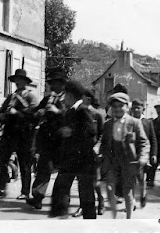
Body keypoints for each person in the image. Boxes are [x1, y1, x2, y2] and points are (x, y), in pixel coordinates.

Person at [49, 80, 97, 219]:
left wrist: (72, 132)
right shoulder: (70, 110)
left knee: (85, 194)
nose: (64, 98)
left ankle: (90, 224)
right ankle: (61, 219)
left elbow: (91, 131)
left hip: (83, 159)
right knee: (61, 189)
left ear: (71, 95)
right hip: (70, 159)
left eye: (65, 95)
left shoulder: (82, 109)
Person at [101, 92, 150, 219]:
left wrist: (143, 158)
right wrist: (97, 151)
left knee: (127, 192)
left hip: (128, 163)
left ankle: (128, 219)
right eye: (115, 106)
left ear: (127, 107)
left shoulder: (134, 123)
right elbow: (102, 141)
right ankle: (114, 216)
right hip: (112, 161)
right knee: (110, 189)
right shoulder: (107, 124)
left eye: (120, 106)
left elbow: (144, 142)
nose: (117, 109)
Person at [0, 69, 38, 199]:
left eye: (20, 80)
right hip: (9, 133)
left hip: (23, 134)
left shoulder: (30, 96)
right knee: (1, 160)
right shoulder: (11, 97)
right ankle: (0, 188)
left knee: (24, 163)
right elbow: (1, 111)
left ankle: (25, 192)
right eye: (16, 80)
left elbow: (34, 112)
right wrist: (2, 116)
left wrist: (18, 113)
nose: (18, 82)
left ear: (25, 82)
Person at [26, 68, 67, 209]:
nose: (53, 86)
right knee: (43, 168)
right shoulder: (49, 98)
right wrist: (38, 112)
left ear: (62, 84)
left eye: (56, 83)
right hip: (47, 139)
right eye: (52, 83)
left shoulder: (67, 98)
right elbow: (37, 110)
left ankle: (62, 200)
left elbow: (72, 115)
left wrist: (58, 111)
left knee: (63, 171)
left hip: (62, 139)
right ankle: (37, 197)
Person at [72, 89, 105, 217]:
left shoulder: (97, 115)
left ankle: (101, 202)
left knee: (95, 182)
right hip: (81, 153)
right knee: (81, 181)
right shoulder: (77, 113)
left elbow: (102, 134)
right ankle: (82, 206)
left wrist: (97, 146)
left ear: (89, 100)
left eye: (83, 98)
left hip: (94, 154)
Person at [130, 99, 157, 208]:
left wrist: (154, 154)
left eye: (139, 108)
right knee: (130, 179)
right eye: (134, 107)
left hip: (142, 154)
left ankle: (143, 194)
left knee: (141, 178)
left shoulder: (148, 122)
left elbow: (153, 139)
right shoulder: (129, 121)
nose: (136, 110)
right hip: (131, 153)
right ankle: (132, 201)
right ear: (132, 109)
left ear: (143, 109)